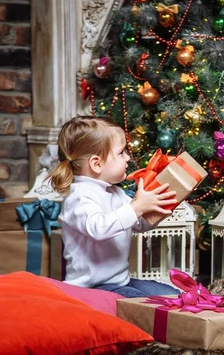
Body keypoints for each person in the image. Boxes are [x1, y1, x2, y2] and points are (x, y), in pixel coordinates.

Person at [49, 116, 180, 298]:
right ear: (97, 164)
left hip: (120, 281)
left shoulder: (115, 192)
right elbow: (99, 229)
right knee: (140, 303)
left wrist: (160, 207)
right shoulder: (79, 197)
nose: (127, 158)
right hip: (89, 288)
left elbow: (140, 224)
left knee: (171, 295)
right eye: (121, 153)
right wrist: (136, 207)